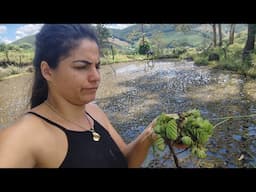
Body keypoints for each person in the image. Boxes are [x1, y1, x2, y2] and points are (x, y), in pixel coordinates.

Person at [0, 24, 157, 168]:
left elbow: (126, 161)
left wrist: (150, 134)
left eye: (97, 66)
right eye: (82, 67)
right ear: (47, 71)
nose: (96, 76)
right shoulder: (25, 136)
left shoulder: (94, 112)